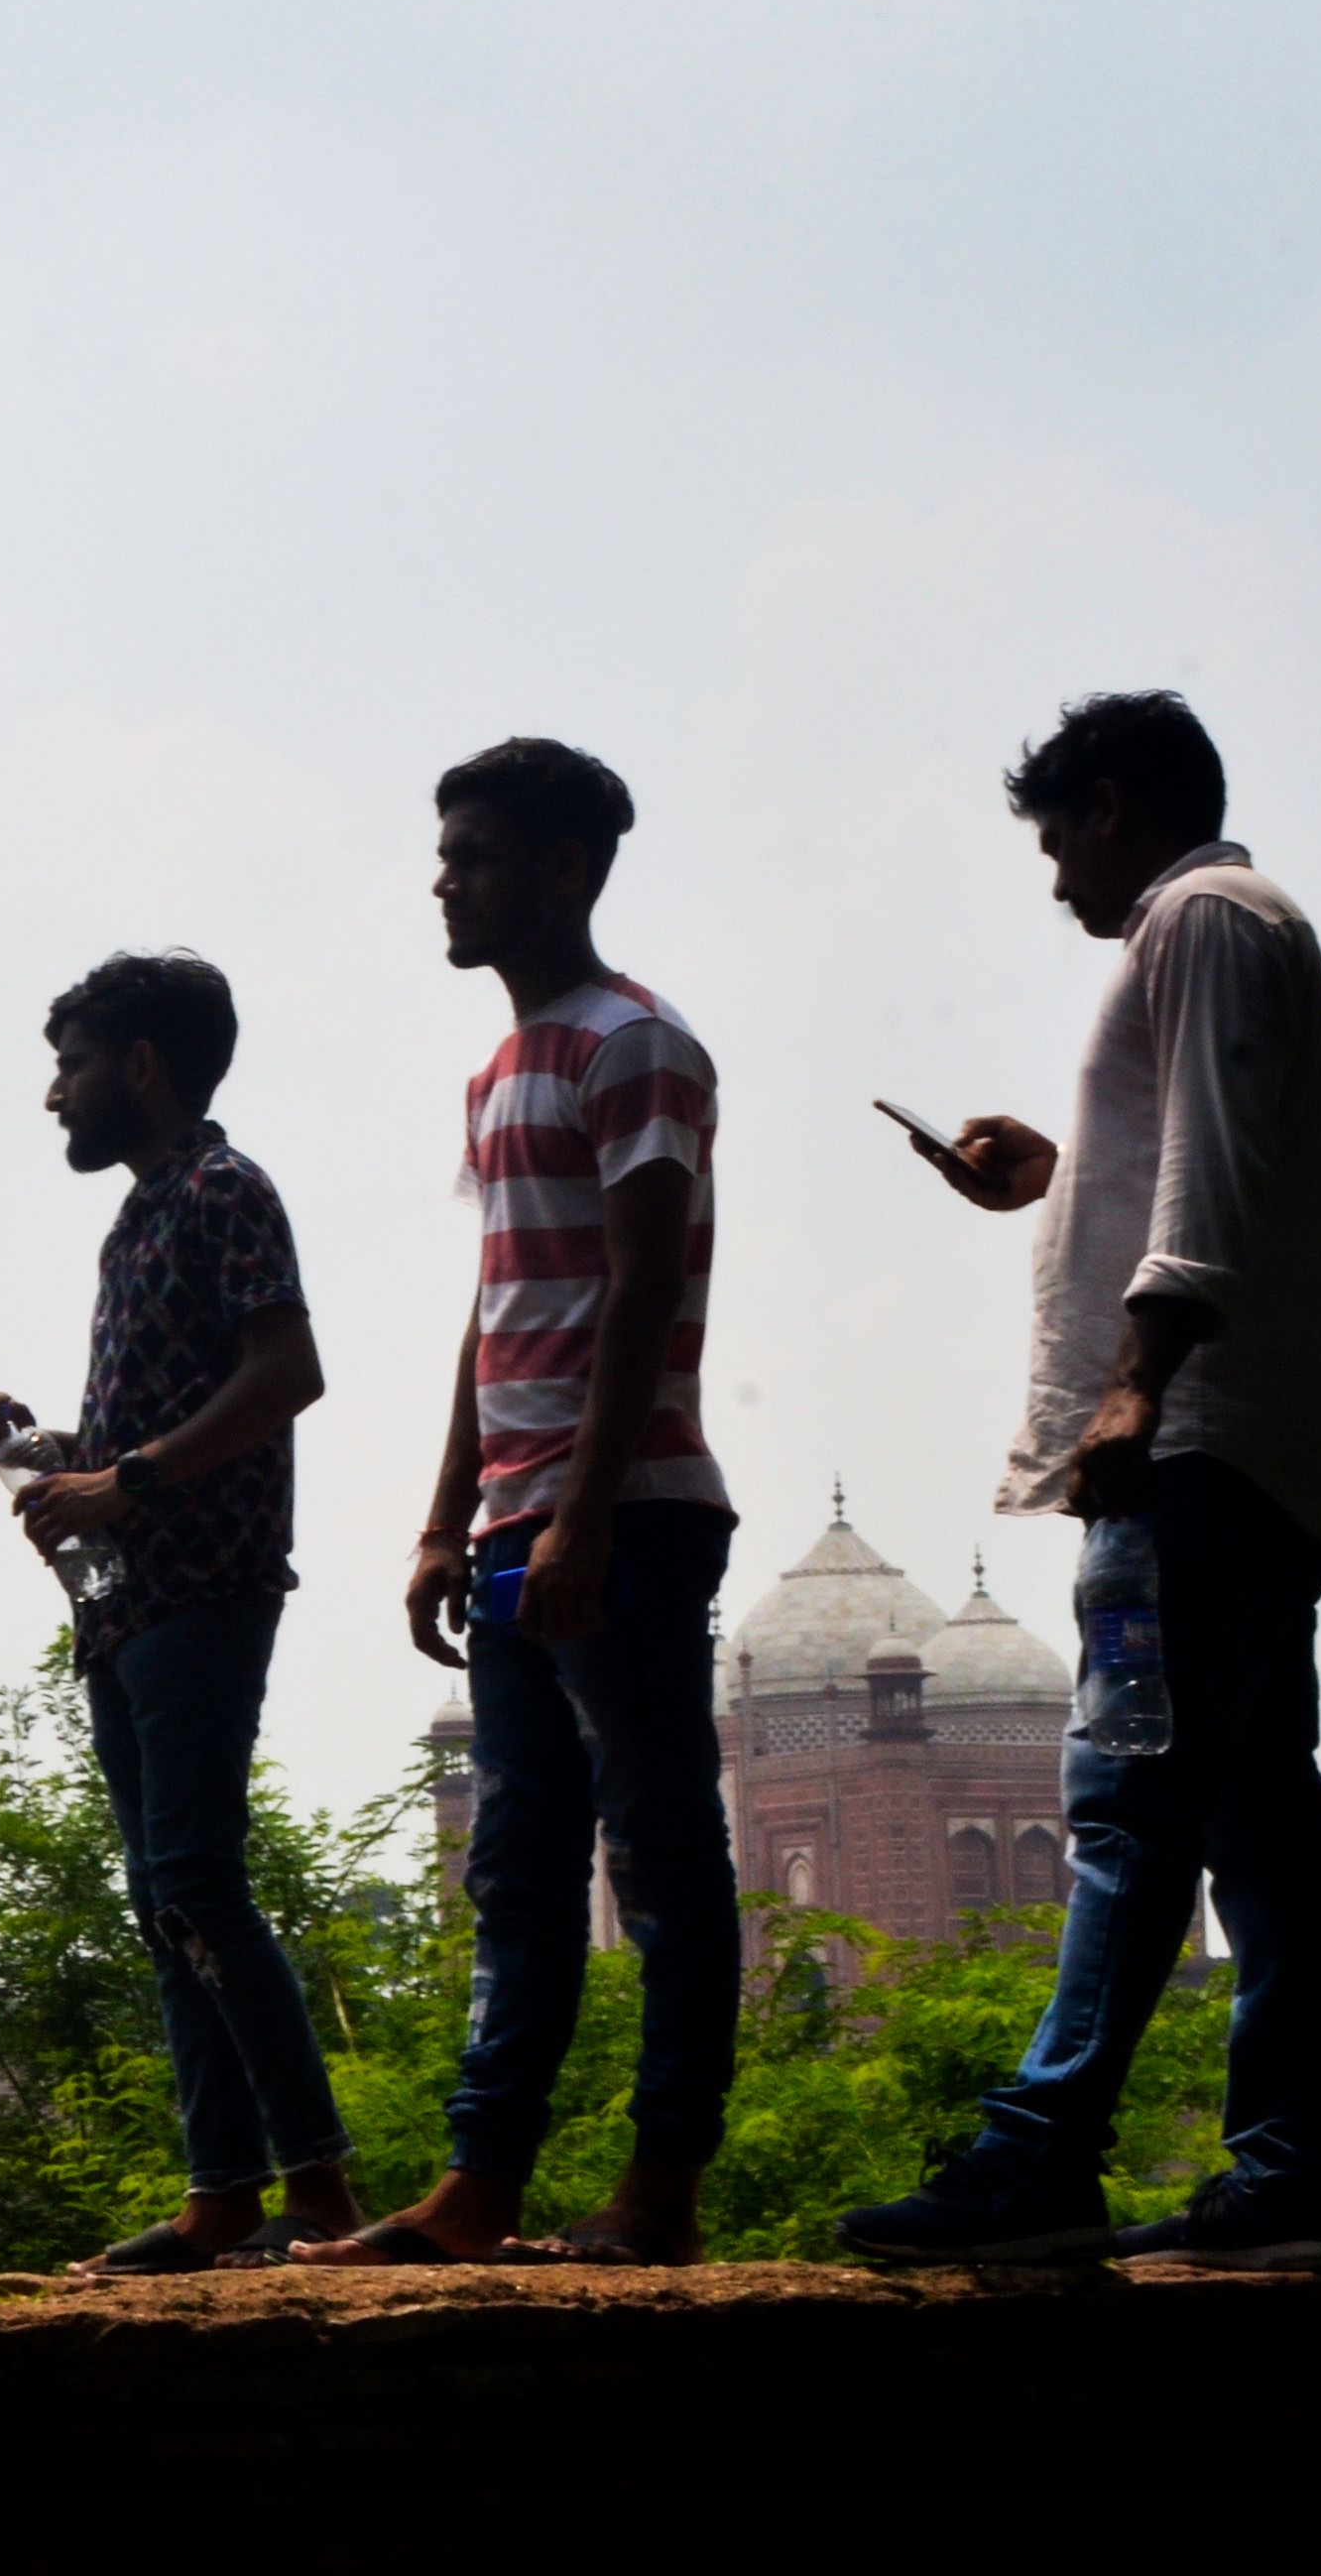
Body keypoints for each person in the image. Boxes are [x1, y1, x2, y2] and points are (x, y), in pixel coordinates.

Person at [840, 692, 1321, 2272]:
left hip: (1191, 1451)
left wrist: (1136, 1386)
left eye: (1059, 833)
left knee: (1129, 1797)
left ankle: (1041, 2153)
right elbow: (1214, 1153)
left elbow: (1209, 1181)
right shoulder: (1242, 925)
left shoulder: (1197, 919)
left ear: (1116, 805)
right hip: (1252, 1448)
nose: (1055, 872)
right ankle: (1287, 2174)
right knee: (1264, 1817)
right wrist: (1054, 1181)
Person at [300, 738, 737, 2269]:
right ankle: (482, 2183)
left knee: (661, 1856)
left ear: (565, 867)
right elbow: (502, 1313)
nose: (445, 879)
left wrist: (584, 1513)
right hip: (520, 1521)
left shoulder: (637, 1047)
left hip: (623, 1515)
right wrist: (447, 1519)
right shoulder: (501, 1071)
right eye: (446, 853)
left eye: (475, 854)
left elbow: (637, 1292)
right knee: (518, 1864)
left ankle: (659, 2192)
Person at [0, 950, 361, 2271]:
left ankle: (318, 2190)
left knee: (196, 1879)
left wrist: (121, 1480)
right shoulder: (143, 1219)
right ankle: (222, 2192)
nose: (54, 1098)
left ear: (140, 1067)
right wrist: (43, 1452)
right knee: (162, 1899)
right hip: (134, 1602)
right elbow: (156, 1429)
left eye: (72, 1067)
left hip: (206, 1587)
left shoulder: (220, 1191)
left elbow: (286, 1372)